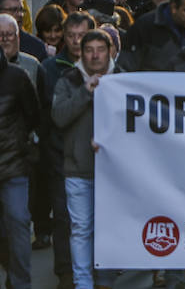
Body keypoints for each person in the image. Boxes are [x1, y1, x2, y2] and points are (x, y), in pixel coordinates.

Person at [52, 29, 118, 289]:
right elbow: (59, 117)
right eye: (89, 50)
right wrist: (86, 92)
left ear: (110, 51)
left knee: (109, 228)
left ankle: (105, 281)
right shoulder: (68, 80)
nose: (94, 55)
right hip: (78, 169)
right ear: (81, 52)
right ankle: (82, 282)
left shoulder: (123, 80)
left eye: (100, 49)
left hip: (114, 171)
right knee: (81, 229)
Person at [0, 22, 39, 289]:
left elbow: (34, 117)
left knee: (18, 223)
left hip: (13, 166)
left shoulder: (17, 77)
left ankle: (20, 283)